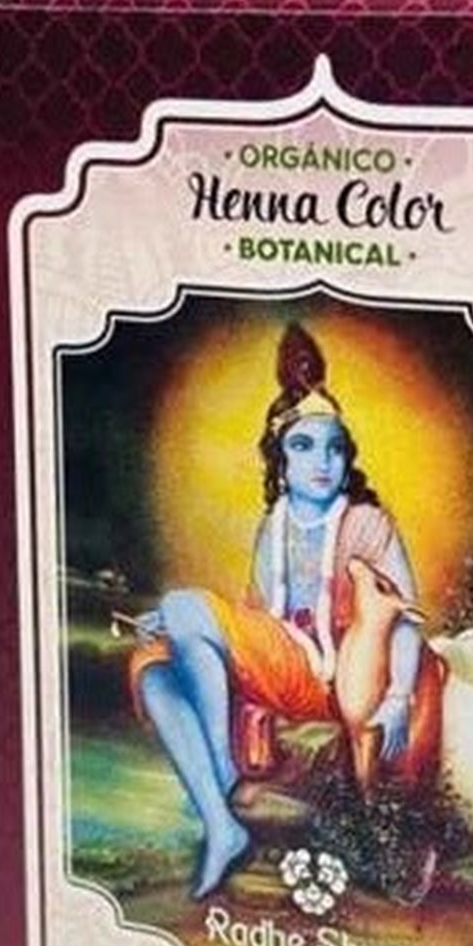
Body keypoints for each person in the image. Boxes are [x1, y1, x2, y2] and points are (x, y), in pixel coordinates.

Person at [128, 322, 442, 900]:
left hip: (342, 678)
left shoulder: (367, 523)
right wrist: (181, 630)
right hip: (281, 669)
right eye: (304, 446)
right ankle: (223, 825)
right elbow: (256, 620)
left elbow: (403, 620)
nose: (323, 460)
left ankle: (222, 776)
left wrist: (399, 694)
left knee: (180, 605)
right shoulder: (272, 526)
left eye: (335, 447)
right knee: (154, 668)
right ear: (279, 459)